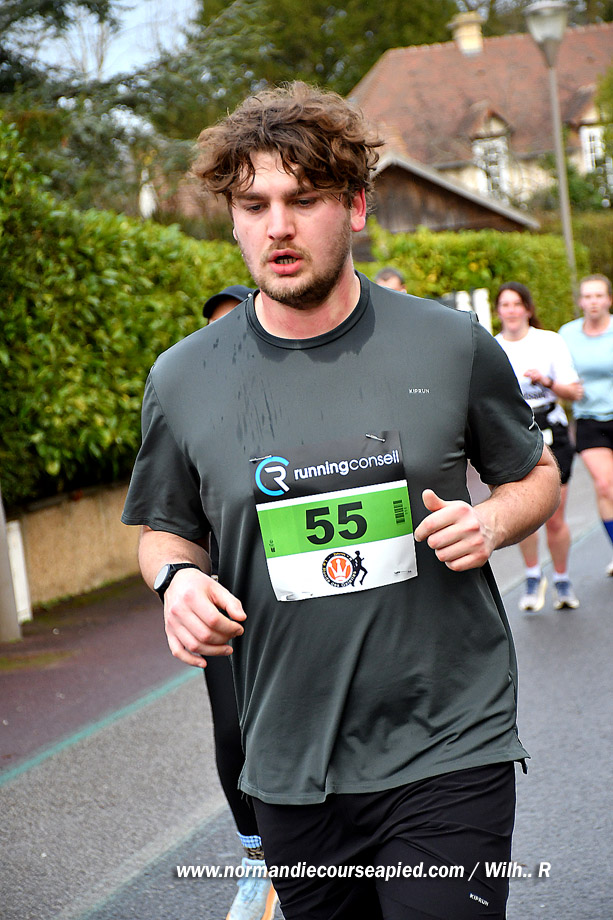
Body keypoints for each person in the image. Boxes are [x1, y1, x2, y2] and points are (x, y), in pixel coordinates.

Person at [122, 82, 560, 920]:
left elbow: (534, 474)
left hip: (447, 740)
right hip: (290, 760)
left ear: (355, 206)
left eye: (303, 200)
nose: (277, 227)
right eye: (254, 205)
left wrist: (490, 521)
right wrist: (176, 583)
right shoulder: (182, 378)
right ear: (233, 218)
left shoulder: (449, 343)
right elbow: (164, 531)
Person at [201, 284, 279, 920]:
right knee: (232, 729)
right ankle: (257, 855)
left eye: (237, 324)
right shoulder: (189, 408)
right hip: (227, 601)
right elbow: (163, 520)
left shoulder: (300, 394)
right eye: (215, 330)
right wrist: (179, 579)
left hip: (304, 599)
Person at [495, 282, 584, 612]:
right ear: (498, 311)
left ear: (528, 309)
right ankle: (533, 576)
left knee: (555, 517)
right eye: (505, 304)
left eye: (517, 304)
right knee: (524, 516)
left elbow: (574, 392)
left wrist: (545, 381)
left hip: (551, 428)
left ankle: (562, 579)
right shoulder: (492, 346)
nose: (511, 310)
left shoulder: (549, 341)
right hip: (513, 433)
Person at [559, 274, 613, 577]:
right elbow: (559, 373)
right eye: (588, 296)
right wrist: (567, 388)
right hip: (590, 419)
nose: (593, 302)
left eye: (599, 296)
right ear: (580, 301)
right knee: (605, 485)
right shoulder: (567, 335)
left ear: (608, 300)